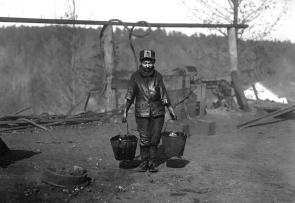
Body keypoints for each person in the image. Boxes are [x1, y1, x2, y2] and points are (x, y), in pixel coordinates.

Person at [122, 49, 177, 173]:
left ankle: (152, 162)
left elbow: (164, 95)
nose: (148, 65)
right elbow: (130, 95)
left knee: (155, 138)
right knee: (144, 138)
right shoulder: (135, 77)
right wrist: (125, 110)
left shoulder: (158, 76)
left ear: (153, 62)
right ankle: (143, 162)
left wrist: (171, 109)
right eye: (145, 62)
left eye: (150, 62)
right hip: (142, 112)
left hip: (158, 112)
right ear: (141, 62)